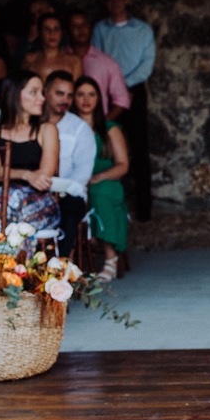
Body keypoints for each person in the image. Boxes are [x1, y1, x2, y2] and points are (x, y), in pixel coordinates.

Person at [0, 71, 61, 240]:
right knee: (7, 212)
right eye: (34, 92)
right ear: (15, 95)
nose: (42, 98)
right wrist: (26, 174)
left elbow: (44, 177)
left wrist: (18, 178)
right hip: (2, 202)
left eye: (42, 93)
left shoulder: (47, 129)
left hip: (39, 204)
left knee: (9, 200)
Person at [92, 0, 156, 221]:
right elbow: (97, 59)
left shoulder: (143, 30)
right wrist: (115, 87)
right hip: (107, 93)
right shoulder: (100, 29)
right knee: (108, 147)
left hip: (134, 91)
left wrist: (124, 85)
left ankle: (144, 210)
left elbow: (147, 64)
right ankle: (112, 205)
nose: (114, 3)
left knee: (139, 149)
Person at [72, 76, 129, 282]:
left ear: (99, 98)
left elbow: (123, 165)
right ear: (73, 98)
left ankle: (110, 259)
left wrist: (98, 177)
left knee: (100, 193)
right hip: (75, 181)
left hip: (105, 180)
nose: (86, 99)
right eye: (80, 94)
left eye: (91, 94)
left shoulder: (109, 127)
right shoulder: (68, 127)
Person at [42, 71, 96, 258]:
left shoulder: (80, 129)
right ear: (46, 91)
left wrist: (57, 190)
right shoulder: (33, 123)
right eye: (59, 93)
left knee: (69, 210)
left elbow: (83, 172)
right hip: (37, 190)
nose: (65, 99)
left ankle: (61, 266)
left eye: (69, 95)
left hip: (68, 192)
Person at [67, 10, 130, 120]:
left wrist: (103, 125)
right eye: (74, 26)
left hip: (96, 127)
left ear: (90, 28)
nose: (80, 29)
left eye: (84, 25)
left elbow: (122, 100)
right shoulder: (59, 59)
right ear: (67, 30)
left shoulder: (107, 63)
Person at [23, 13, 84, 82]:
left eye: (56, 29)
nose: (52, 34)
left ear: (62, 33)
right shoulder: (30, 59)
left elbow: (77, 89)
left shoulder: (74, 61)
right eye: (47, 29)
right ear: (40, 32)